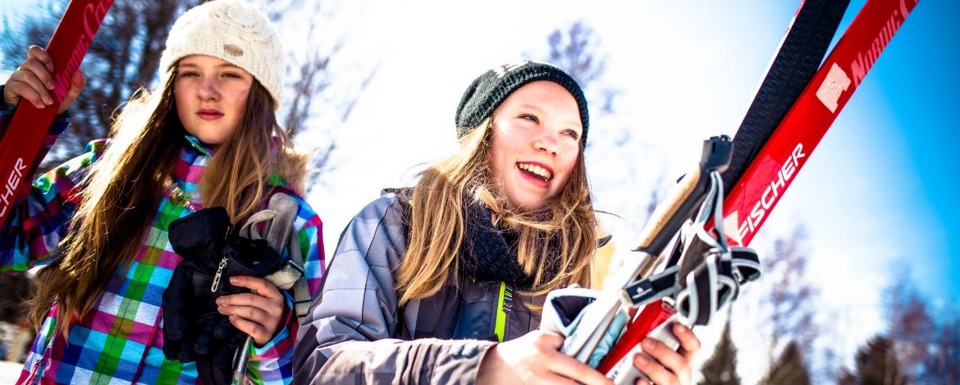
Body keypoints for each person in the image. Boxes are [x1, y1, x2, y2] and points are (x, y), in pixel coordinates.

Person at [293, 61, 700, 385]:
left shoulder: (577, 273)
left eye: (570, 133)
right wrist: (483, 367)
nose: (550, 142)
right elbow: (324, 366)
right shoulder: (395, 223)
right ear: (484, 132)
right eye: (529, 118)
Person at [0, 0, 324, 383]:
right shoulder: (111, 168)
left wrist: (273, 336)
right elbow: (9, 239)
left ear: (260, 93)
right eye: (190, 72)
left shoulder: (286, 221)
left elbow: (304, 371)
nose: (207, 90)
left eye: (230, 74)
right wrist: (17, 122)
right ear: (171, 86)